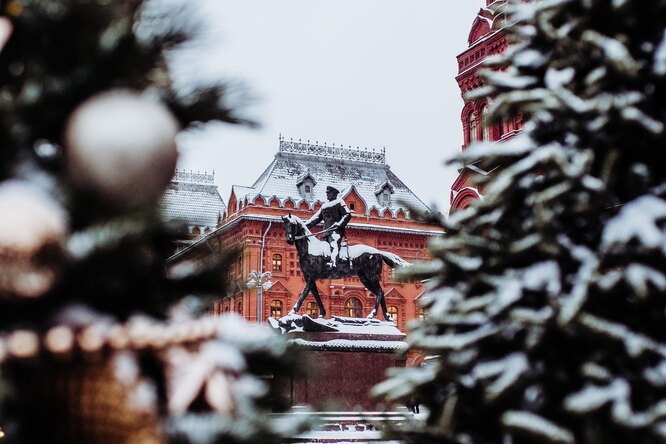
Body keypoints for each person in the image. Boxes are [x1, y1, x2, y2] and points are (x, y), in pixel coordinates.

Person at [305, 185, 351, 268]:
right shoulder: (324, 206)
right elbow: (315, 219)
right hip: (325, 232)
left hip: (335, 231)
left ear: (334, 194)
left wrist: (340, 224)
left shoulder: (339, 202)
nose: (327, 195)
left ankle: (334, 264)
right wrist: (304, 226)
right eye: (327, 193)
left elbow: (347, 214)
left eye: (329, 193)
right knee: (323, 248)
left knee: (334, 245)